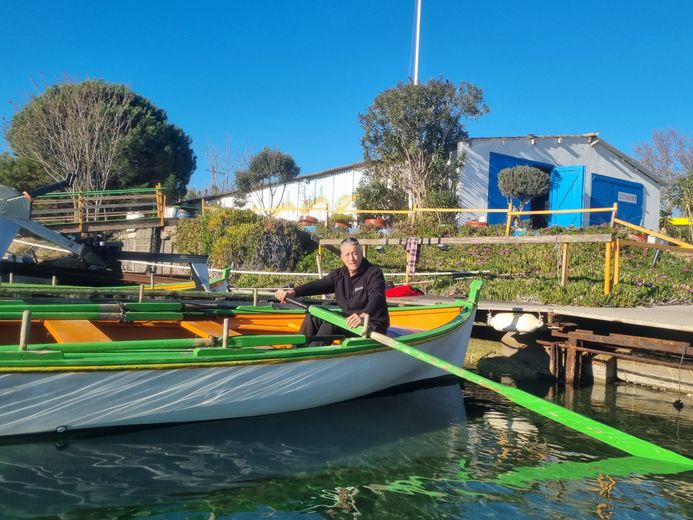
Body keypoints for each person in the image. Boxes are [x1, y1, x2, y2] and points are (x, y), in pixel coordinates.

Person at [275, 237, 389, 344]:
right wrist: (293, 292)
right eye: (347, 254)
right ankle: (296, 350)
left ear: (361, 254)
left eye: (355, 253)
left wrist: (364, 314)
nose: (352, 259)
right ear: (342, 257)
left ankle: (312, 355)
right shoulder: (338, 275)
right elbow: (317, 285)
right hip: (349, 321)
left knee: (330, 324)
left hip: (371, 324)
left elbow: (377, 296)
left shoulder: (374, 273)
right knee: (313, 316)